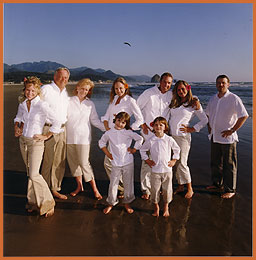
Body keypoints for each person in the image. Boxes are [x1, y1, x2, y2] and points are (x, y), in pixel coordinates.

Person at [14, 76, 62, 217]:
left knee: (35, 174)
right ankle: (33, 202)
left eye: (33, 90)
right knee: (30, 173)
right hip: (23, 141)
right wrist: (16, 127)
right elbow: (18, 117)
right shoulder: (23, 104)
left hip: (36, 143)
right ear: (24, 90)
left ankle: (48, 203)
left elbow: (57, 121)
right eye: (28, 90)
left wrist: (46, 136)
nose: (30, 93)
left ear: (37, 91)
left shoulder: (42, 105)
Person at [205, 75, 248, 199]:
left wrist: (232, 130)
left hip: (227, 138)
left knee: (229, 164)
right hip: (214, 137)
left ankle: (230, 189)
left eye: (223, 83)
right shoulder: (213, 98)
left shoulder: (234, 98)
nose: (221, 85)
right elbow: (207, 115)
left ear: (228, 84)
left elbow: (244, 116)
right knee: (215, 163)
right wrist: (210, 129)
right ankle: (217, 184)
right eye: (218, 83)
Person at [101, 77, 144, 197]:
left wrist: (129, 129)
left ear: (126, 87)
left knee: (111, 163)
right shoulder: (114, 99)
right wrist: (107, 127)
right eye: (116, 88)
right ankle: (122, 187)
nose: (118, 91)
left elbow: (140, 119)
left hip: (121, 137)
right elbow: (106, 116)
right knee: (113, 163)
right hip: (112, 135)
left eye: (120, 88)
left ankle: (122, 188)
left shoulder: (130, 101)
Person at [137, 72, 174, 200]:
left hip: (163, 134)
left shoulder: (171, 95)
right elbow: (137, 108)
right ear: (160, 81)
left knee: (162, 161)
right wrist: (142, 124)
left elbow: (184, 101)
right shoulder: (149, 93)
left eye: (169, 83)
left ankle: (160, 188)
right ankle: (146, 189)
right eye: (164, 82)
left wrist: (195, 101)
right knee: (147, 162)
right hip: (148, 134)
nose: (166, 85)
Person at [66, 78, 105, 199]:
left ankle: (95, 189)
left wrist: (107, 128)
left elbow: (94, 120)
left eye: (87, 90)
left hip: (84, 139)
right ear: (77, 88)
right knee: (73, 164)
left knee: (84, 163)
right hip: (69, 138)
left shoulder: (90, 104)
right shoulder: (68, 101)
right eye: (82, 88)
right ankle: (79, 186)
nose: (84, 91)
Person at [169, 80, 208, 199]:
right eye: (178, 89)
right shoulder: (175, 102)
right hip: (171, 136)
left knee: (182, 163)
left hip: (183, 138)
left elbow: (204, 120)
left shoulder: (193, 103)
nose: (181, 91)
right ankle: (180, 186)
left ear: (188, 89)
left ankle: (190, 188)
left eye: (183, 89)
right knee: (175, 162)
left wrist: (193, 128)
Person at [98, 112, 143, 214]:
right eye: (118, 121)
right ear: (115, 120)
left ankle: (127, 202)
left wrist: (134, 149)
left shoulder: (128, 132)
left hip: (128, 162)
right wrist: (108, 154)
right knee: (113, 184)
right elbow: (101, 142)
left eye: (123, 122)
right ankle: (111, 203)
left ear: (126, 124)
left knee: (128, 183)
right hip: (115, 163)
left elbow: (140, 138)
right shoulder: (109, 132)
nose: (120, 124)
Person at [140, 117, 180, 217]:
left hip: (167, 170)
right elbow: (142, 150)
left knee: (167, 190)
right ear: (153, 127)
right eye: (156, 125)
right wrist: (147, 160)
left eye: (161, 125)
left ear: (165, 127)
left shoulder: (169, 139)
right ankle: (156, 207)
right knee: (155, 190)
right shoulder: (151, 140)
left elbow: (177, 149)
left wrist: (174, 160)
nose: (158, 127)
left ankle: (166, 207)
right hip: (155, 171)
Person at [40, 67, 70, 200]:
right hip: (49, 129)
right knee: (47, 161)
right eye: (61, 76)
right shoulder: (46, 89)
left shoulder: (65, 93)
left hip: (62, 130)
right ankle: (44, 190)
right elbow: (36, 106)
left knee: (59, 161)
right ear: (55, 76)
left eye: (66, 78)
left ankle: (55, 188)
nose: (63, 79)